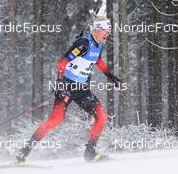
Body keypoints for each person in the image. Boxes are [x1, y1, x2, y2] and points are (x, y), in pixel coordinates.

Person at [16, 16, 120, 163]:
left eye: (109, 32)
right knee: (55, 120)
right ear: (97, 30)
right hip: (66, 86)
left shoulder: (99, 44)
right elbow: (63, 62)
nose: (108, 35)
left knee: (101, 117)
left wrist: (110, 75)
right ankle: (22, 155)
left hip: (82, 89)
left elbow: (97, 60)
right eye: (106, 31)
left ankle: (90, 153)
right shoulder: (83, 43)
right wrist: (59, 83)